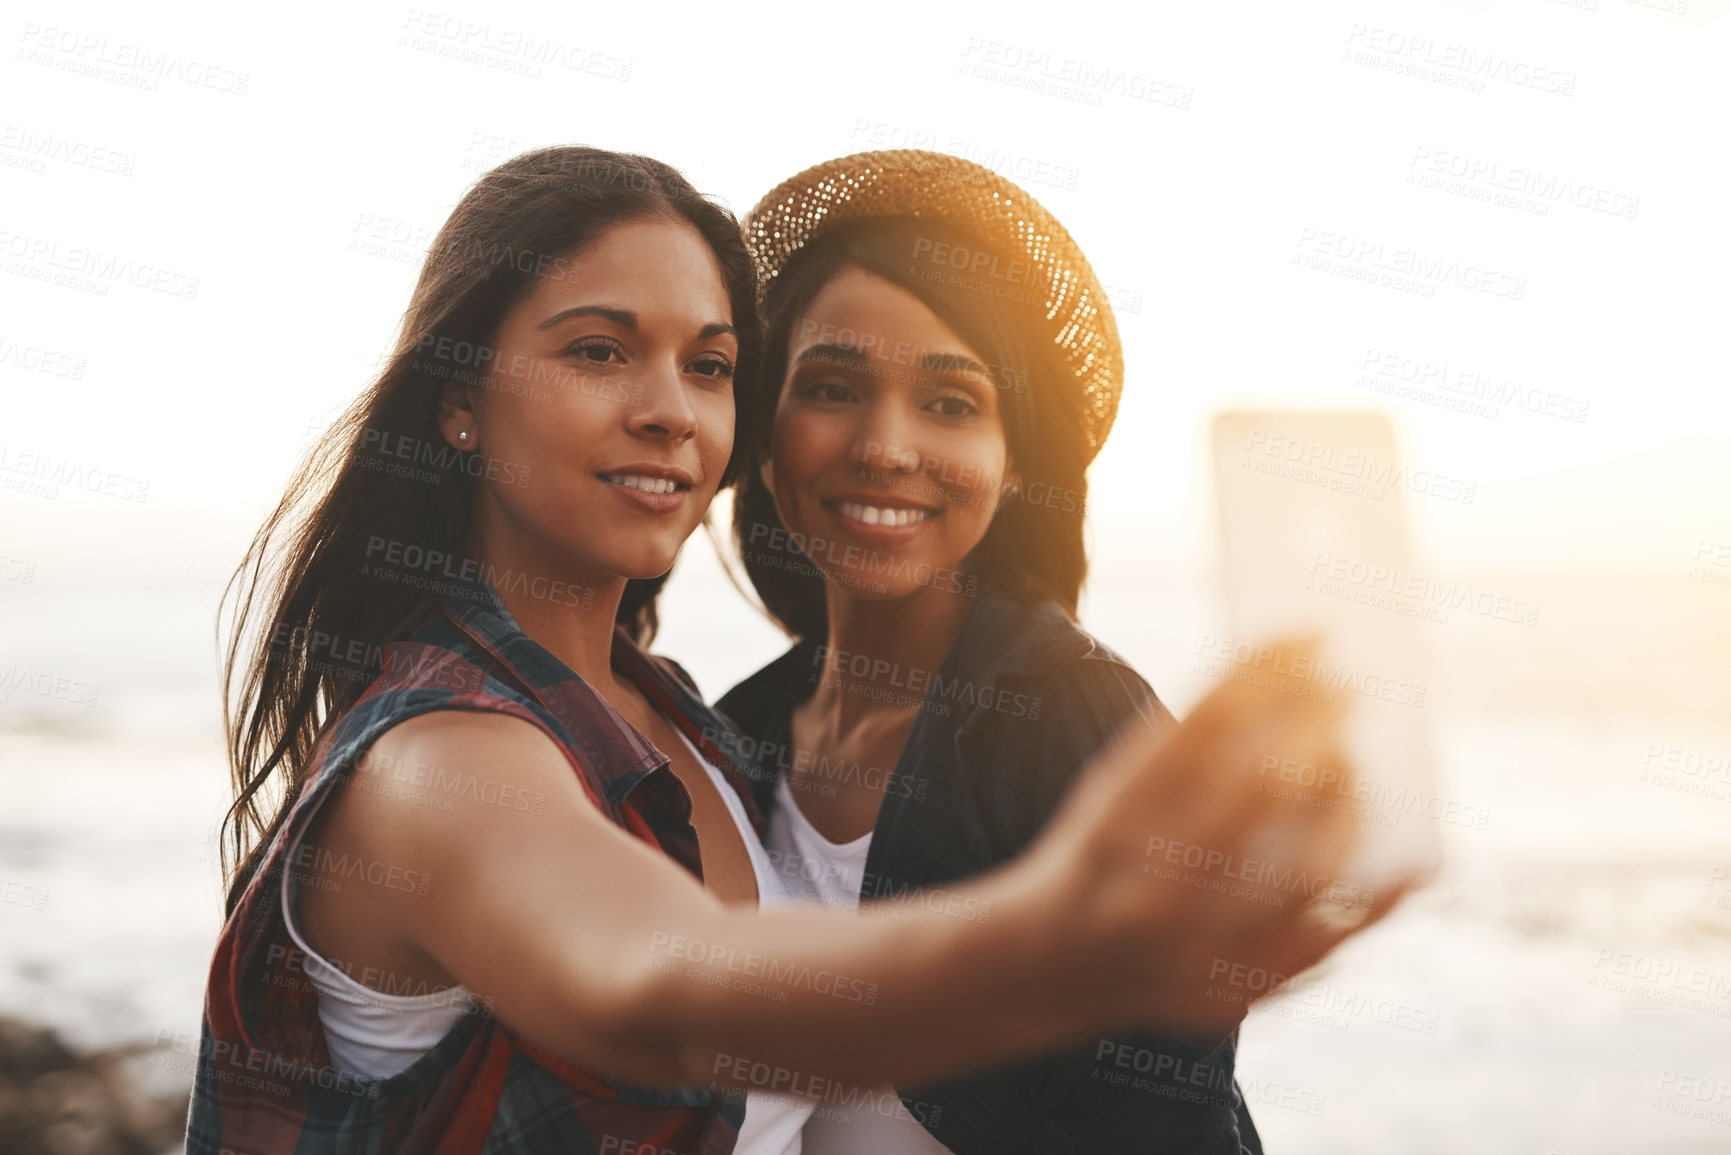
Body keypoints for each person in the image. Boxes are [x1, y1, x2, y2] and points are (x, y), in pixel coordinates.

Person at [191, 145, 1389, 1155]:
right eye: (599, 350)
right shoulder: (442, 757)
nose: (669, 408)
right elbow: (657, 989)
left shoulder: (680, 727)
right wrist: (1063, 935)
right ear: (458, 397)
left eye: (708, 365)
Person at [718, 150, 1293, 1152]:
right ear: (763, 431)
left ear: (1015, 458)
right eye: (832, 387)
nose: (887, 448)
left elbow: (1161, 1115)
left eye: (950, 404)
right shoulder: (738, 731)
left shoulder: (1079, 720)